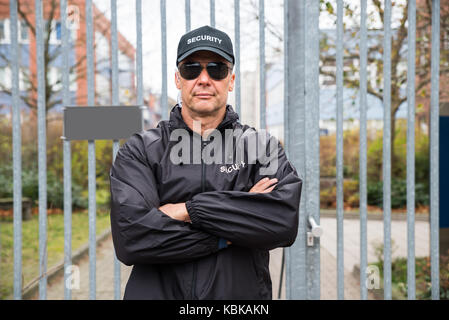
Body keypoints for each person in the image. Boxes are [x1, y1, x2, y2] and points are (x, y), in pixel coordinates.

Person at [109, 25, 302, 300]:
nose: (203, 79)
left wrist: (185, 210)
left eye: (216, 68)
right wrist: (232, 230)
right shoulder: (141, 150)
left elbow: (281, 222)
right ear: (178, 79)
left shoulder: (262, 147)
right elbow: (132, 238)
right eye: (191, 69)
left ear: (231, 80)